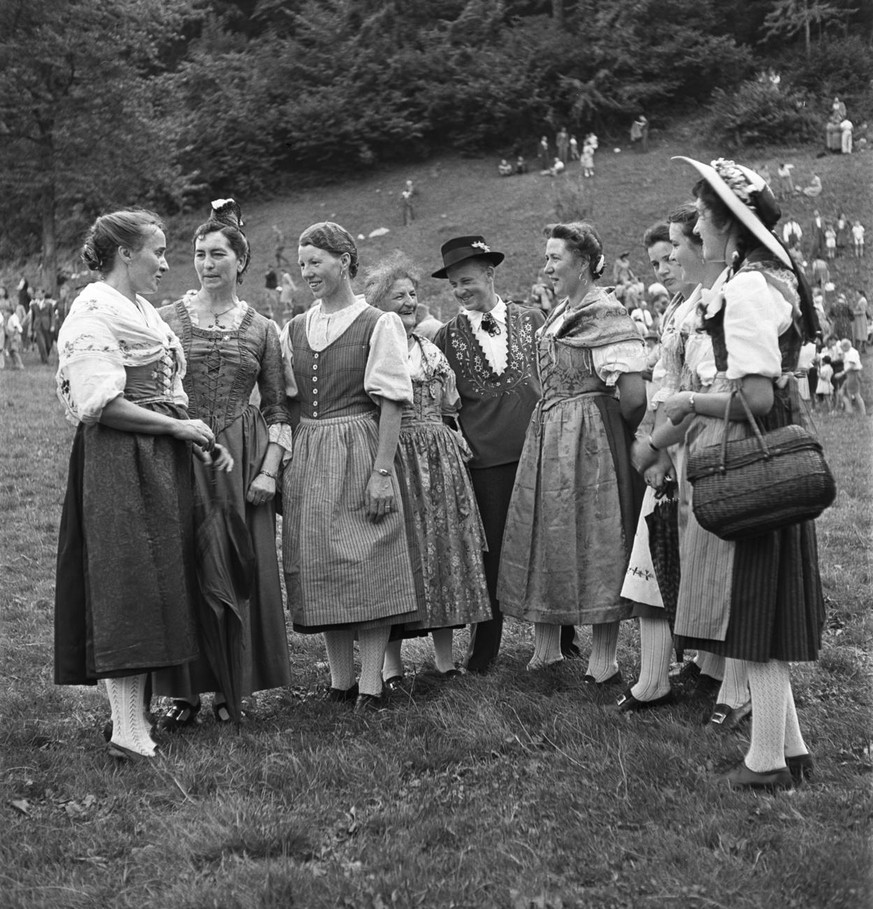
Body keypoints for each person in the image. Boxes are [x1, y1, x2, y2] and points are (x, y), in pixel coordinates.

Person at [665, 157, 825, 790]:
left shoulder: (750, 287)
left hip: (754, 452)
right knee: (765, 599)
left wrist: (688, 403)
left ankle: (766, 761)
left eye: (704, 213)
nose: (698, 223)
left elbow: (756, 397)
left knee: (756, 603)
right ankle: (792, 749)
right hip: (768, 447)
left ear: (729, 221)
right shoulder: (755, 274)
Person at [54, 210, 232, 759]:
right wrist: (177, 426)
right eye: (157, 250)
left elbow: (164, 391)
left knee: (156, 579)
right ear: (126, 254)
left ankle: (137, 720)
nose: (165, 261)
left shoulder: (142, 311)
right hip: (117, 458)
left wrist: (193, 435)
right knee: (127, 581)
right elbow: (98, 404)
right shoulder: (91, 311)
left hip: (155, 457)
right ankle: (128, 730)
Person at [151, 199, 292, 730]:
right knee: (183, 566)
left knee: (241, 565)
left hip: (241, 458)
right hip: (182, 452)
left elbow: (278, 407)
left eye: (217, 254)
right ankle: (184, 690)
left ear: (240, 260)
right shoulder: (167, 320)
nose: (206, 263)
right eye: (198, 254)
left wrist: (269, 471)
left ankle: (235, 687)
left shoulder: (262, 328)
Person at [498, 223, 646, 682]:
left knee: (598, 534)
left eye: (554, 258)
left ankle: (604, 661)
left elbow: (634, 395)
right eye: (546, 257)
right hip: (550, 433)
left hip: (592, 439)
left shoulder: (607, 314)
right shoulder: (563, 310)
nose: (546, 267)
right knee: (548, 529)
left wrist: (607, 435)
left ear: (583, 263)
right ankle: (547, 650)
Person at [279, 222, 418, 711]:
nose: (307, 273)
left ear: (345, 261)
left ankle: (372, 684)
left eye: (315, 262)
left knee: (368, 559)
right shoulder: (296, 327)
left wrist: (382, 473)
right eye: (302, 265)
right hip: (311, 453)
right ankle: (340, 682)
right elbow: (287, 402)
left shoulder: (378, 322)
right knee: (323, 564)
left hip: (359, 447)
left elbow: (393, 403)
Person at [363, 253, 491, 683]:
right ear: (378, 304)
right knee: (401, 552)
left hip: (438, 455)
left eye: (413, 294)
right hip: (395, 454)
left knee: (443, 547)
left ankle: (445, 659)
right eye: (398, 295)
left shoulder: (429, 349)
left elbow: (451, 404)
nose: (409, 301)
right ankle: (391, 663)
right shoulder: (374, 349)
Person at [620, 203, 721, 711]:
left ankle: (715, 672)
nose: (664, 267)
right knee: (653, 559)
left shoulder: (706, 308)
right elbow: (663, 383)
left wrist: (655, 444)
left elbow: (691, 388)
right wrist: (652, 439)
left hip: (690, 441)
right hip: (670, 439)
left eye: (673, 253)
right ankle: (657, 675)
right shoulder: (677, 310)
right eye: (657, 261)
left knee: (700, 563)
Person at [432, 236, 546, 673]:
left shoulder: (533, 319)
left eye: (467, 280)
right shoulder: (446, 336)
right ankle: (484, 652)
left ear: (490, 274)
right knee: (490, 552)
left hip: (536, 448)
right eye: (454, 285)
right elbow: (445, 403)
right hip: (484, 459)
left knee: (546, 542)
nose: (461, 290)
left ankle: (559, 639)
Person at [29, 288, 56, 364]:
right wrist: (32, 328)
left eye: (40, 293)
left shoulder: (49, 304)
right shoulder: (33, 305)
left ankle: (45, 357)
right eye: (37, 294)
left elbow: (52, 315)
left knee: (48, 344)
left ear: (43, 294)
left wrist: (52, 325)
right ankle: (46, 361)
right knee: (41, 343)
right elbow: (33, 317)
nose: (38, 295)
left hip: (47, 325)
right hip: (37, 326)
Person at [839, 338, 866, 415]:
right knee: (850, 392)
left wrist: (843, 373)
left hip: (853, 373)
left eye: (842, 348)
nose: (842, 350)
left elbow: (852, 365)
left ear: (845, 346)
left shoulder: (852, 353)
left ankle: (863, 412)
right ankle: (850, 410)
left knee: (856, 393)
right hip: (850, 374)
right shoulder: (848, 352)